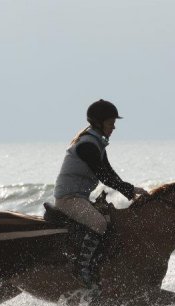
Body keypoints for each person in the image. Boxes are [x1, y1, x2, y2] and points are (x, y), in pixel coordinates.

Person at [53, 99, 147, 287]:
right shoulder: (88, 144)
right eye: (111, 123)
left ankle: (100, 265)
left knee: (111, 221)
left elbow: (110, 172)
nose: (113, 127)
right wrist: (127, 189)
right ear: (99, 123)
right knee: (99, 223)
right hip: (68, 199)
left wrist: (131, 190)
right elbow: (103, 175)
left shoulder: (96, 143)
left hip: (79, 198)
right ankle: (83, 270)